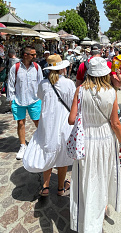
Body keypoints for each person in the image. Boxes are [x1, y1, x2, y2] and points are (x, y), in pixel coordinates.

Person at [68, 57, 121, 232]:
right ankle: (100, 211)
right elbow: (115, 123)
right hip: (105, 140)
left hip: (85, 140)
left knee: (85, 178)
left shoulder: (80, 90)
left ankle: (84, 217)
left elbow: (71, 120)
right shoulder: (111, 92)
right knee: (102, 177)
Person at [22, 55, 75, 196]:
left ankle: (45, 186)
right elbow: (72, 104)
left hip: (47, 123)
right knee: (63, 154)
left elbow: (40, 97)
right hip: (63, 122)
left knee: (48, 150)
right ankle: (60, 188)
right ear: (62, 68)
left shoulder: (43, 84)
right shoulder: (69, 83)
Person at [7, 46, 43, 160]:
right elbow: (11, 84)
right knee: (21, 123)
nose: (35, 56)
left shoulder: (37, 67)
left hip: (34, 100)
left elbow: (41, 84)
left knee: (38, 123)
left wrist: (43, 99)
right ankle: (23, 146)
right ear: (25, 55)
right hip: (19, 99)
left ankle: (42, 142)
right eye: (32, 54)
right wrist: (11, 100)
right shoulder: (15, 68)